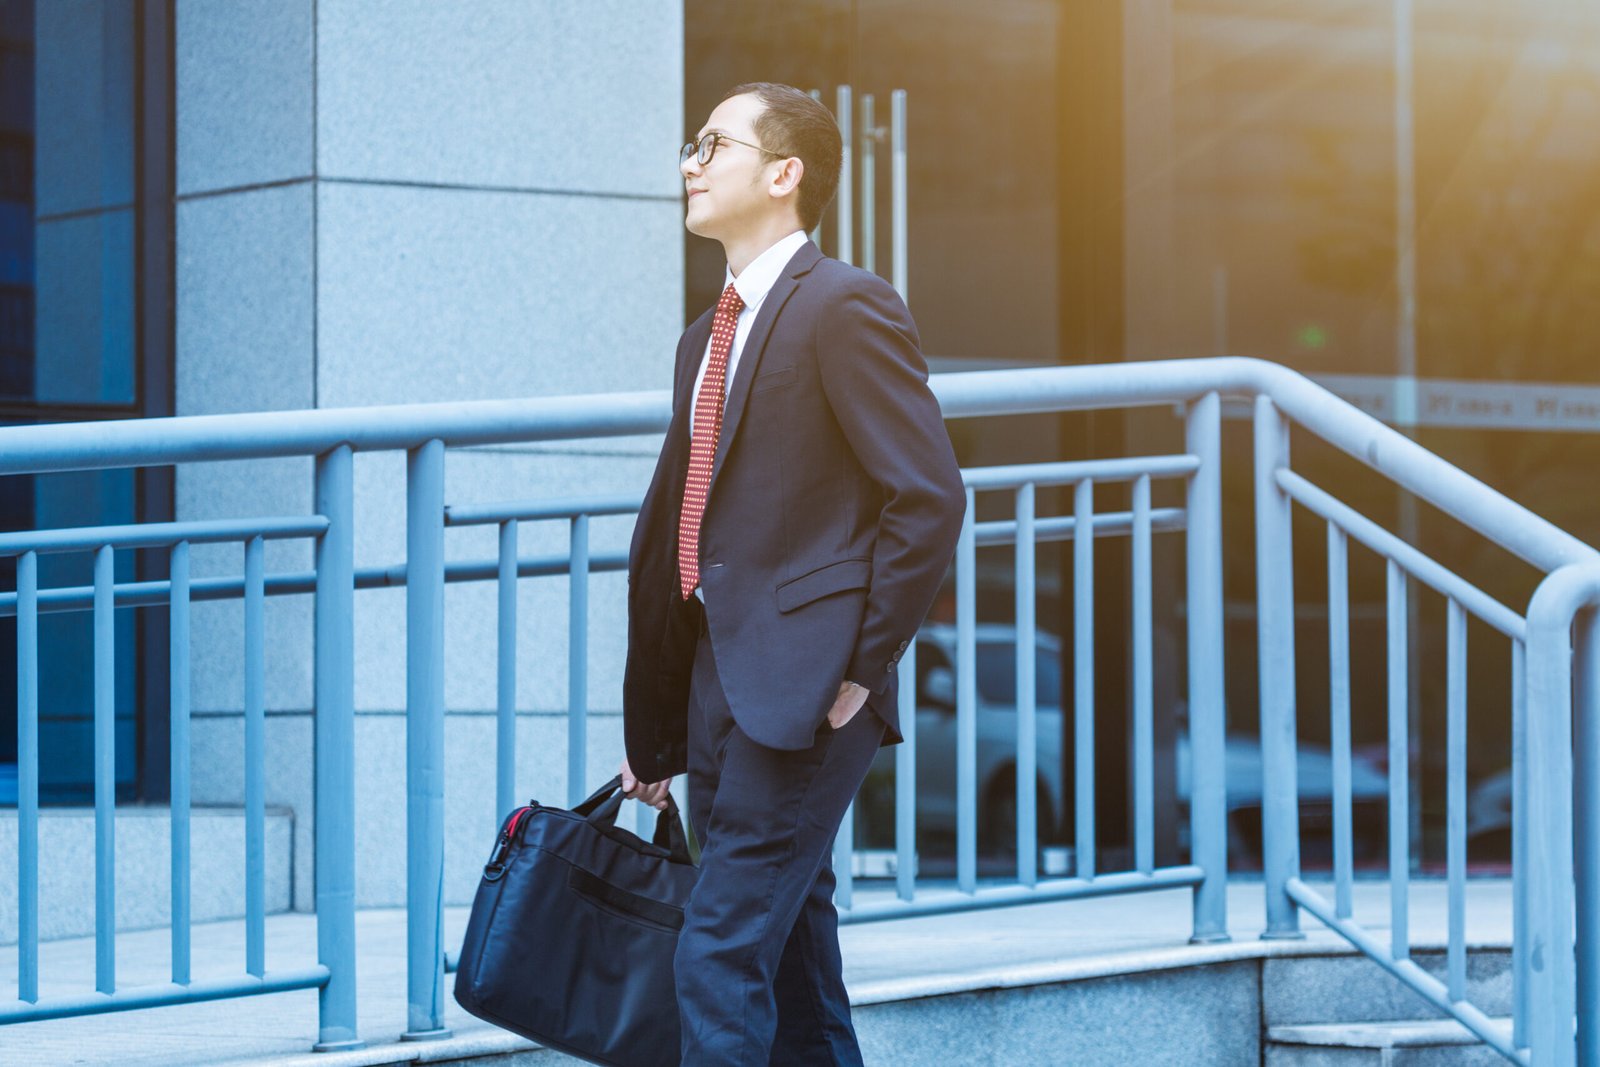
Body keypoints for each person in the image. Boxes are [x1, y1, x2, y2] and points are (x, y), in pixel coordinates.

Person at [618, 81, 965, 1066]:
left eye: (711, 145)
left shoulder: (843, 306)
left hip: (810, 690)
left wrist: (861, 667)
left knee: (716, 949)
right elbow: (674, 535)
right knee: (796, 969)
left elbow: (926, 496)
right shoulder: (703, 338)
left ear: (784, 172)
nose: (689, 163)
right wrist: (655, 725)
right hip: (720, 687)